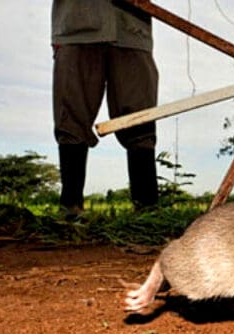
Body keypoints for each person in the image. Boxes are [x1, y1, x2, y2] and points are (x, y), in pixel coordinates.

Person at [51, 0, 159, 216]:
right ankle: (70, 209)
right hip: (76, 27)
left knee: (140, 118)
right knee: (71, 115)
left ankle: (147, 210)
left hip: (132, 30)